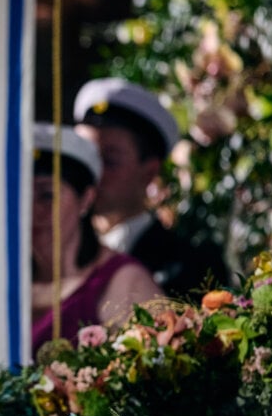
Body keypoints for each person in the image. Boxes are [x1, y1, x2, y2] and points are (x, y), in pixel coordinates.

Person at [73, 77, 229, 299]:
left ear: (148, 173)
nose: (94, 174)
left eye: (110, 160)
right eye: (87, 158)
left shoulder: (192, 266)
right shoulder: (56, 252)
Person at [30, 123, 160, 359]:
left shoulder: (123, 281)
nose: (32, 211)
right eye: (22, 197)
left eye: (46, 195)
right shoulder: (0, 281)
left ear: (86, 199)